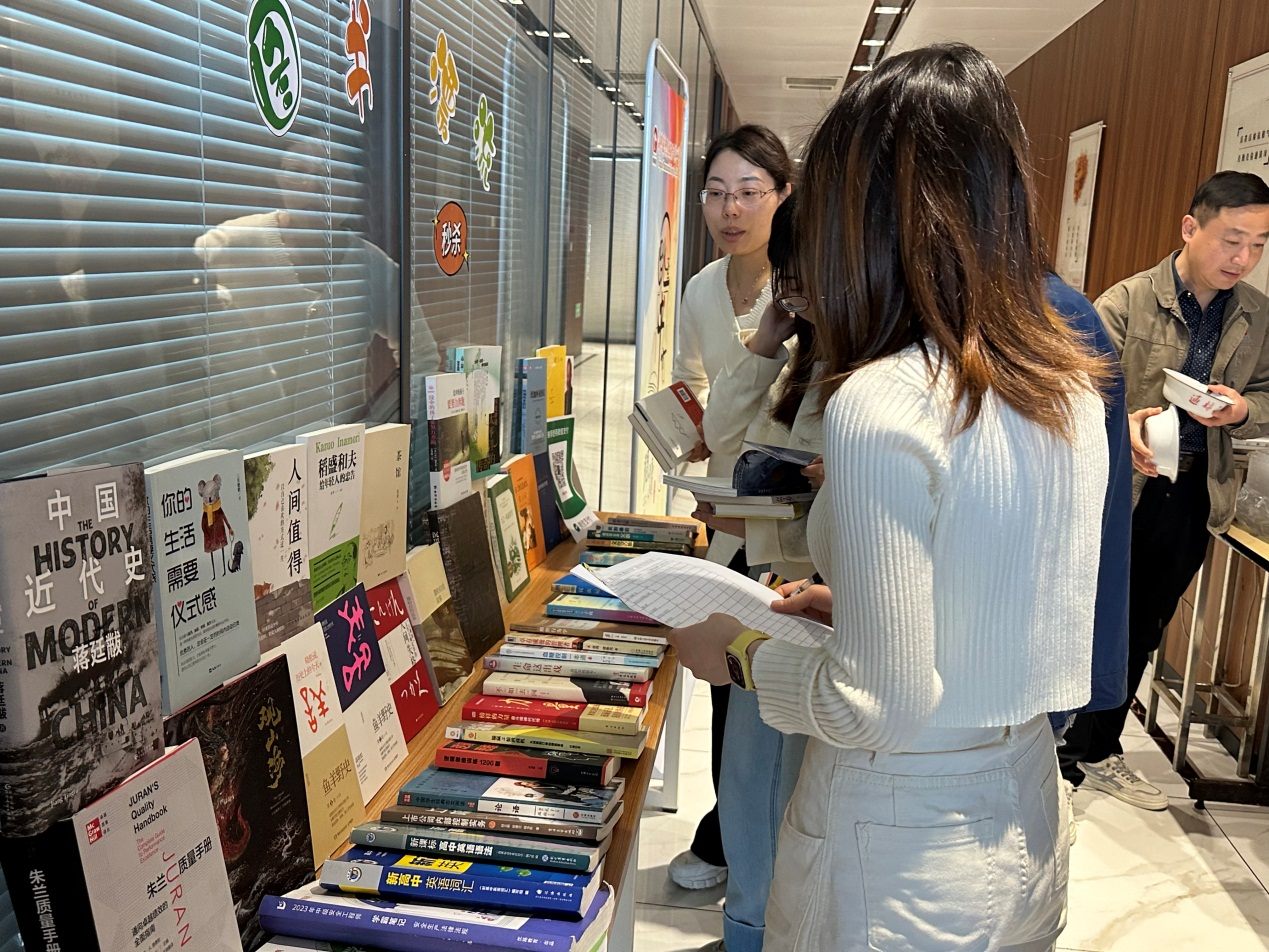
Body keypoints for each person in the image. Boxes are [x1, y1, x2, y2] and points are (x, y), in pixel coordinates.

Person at [669, 43, 1110, 951]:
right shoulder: (1065, 383)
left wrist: (740, 655)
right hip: (1026, 806)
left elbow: (875, 707)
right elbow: (1008, 604)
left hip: (895, 835)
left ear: (862, 214)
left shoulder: (883, 399)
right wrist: (863, 610)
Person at [1058, 171, 1269, 811]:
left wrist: (1242, 410)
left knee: (1146, 622)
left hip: (1196, 489)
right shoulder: (1126, 301)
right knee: (1091, 616)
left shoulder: (1257, 315)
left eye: (1258, 245)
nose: (1243, 258)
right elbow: (1074, 390)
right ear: (1190, 227)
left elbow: (1266, 395)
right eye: (1232, 239)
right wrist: (1123, 423)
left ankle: (1098, 751)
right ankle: (1056, 748)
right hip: (1120, 490)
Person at [692, 195, 821, 952]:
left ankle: (757, 932)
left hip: (807, 606)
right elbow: (722, 434)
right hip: (771, 588)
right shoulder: (800, 353)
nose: (791, 293)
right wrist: (768, 341)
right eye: (786, 278)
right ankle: (747, 925)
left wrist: (770, 518)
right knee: (748, 775)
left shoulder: (866, 371)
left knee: (774, 782)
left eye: (801, 280)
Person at [667, 124, 793, 892]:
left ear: (782, 196)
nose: (730, 209)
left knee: (773, 680)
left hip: (789, 516)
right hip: (723, 509)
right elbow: (689, 383)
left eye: (749, 192)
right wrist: (678, 429)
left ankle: (754, 845)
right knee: (725, 676)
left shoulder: (807, 289)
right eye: (715, 193)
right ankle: (727, 830)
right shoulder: (701, 289)